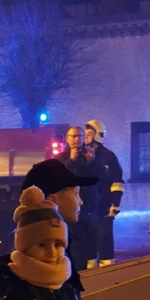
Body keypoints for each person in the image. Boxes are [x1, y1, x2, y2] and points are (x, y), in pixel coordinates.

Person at [20, 159, 99, 290]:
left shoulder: (63, 241)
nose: (81, 202)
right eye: (76, 194)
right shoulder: (47, 254)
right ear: (52, 201)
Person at [57, 126, 102, 271]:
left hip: (88, 207)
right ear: (67, 138)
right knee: (73, 243)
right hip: (68, 209)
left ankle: (86, 272)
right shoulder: (61, 158)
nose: (77, 139)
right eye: (74, 136)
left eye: (80, 136)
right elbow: (60, 177)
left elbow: (101, 177)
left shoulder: (89, 155)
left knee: (88, 241)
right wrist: (71, 160)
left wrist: (91, 162)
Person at [85, 120, 126, 267]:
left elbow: (117, 182)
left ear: (98, 135)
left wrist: (115, 203)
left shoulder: (108, 157)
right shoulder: (80, 155)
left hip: (103, 207)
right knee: (87, 242)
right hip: (85, 207)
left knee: (104, 240)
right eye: (85, 134)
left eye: (90, 133)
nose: (86, 137)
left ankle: (107, 274)